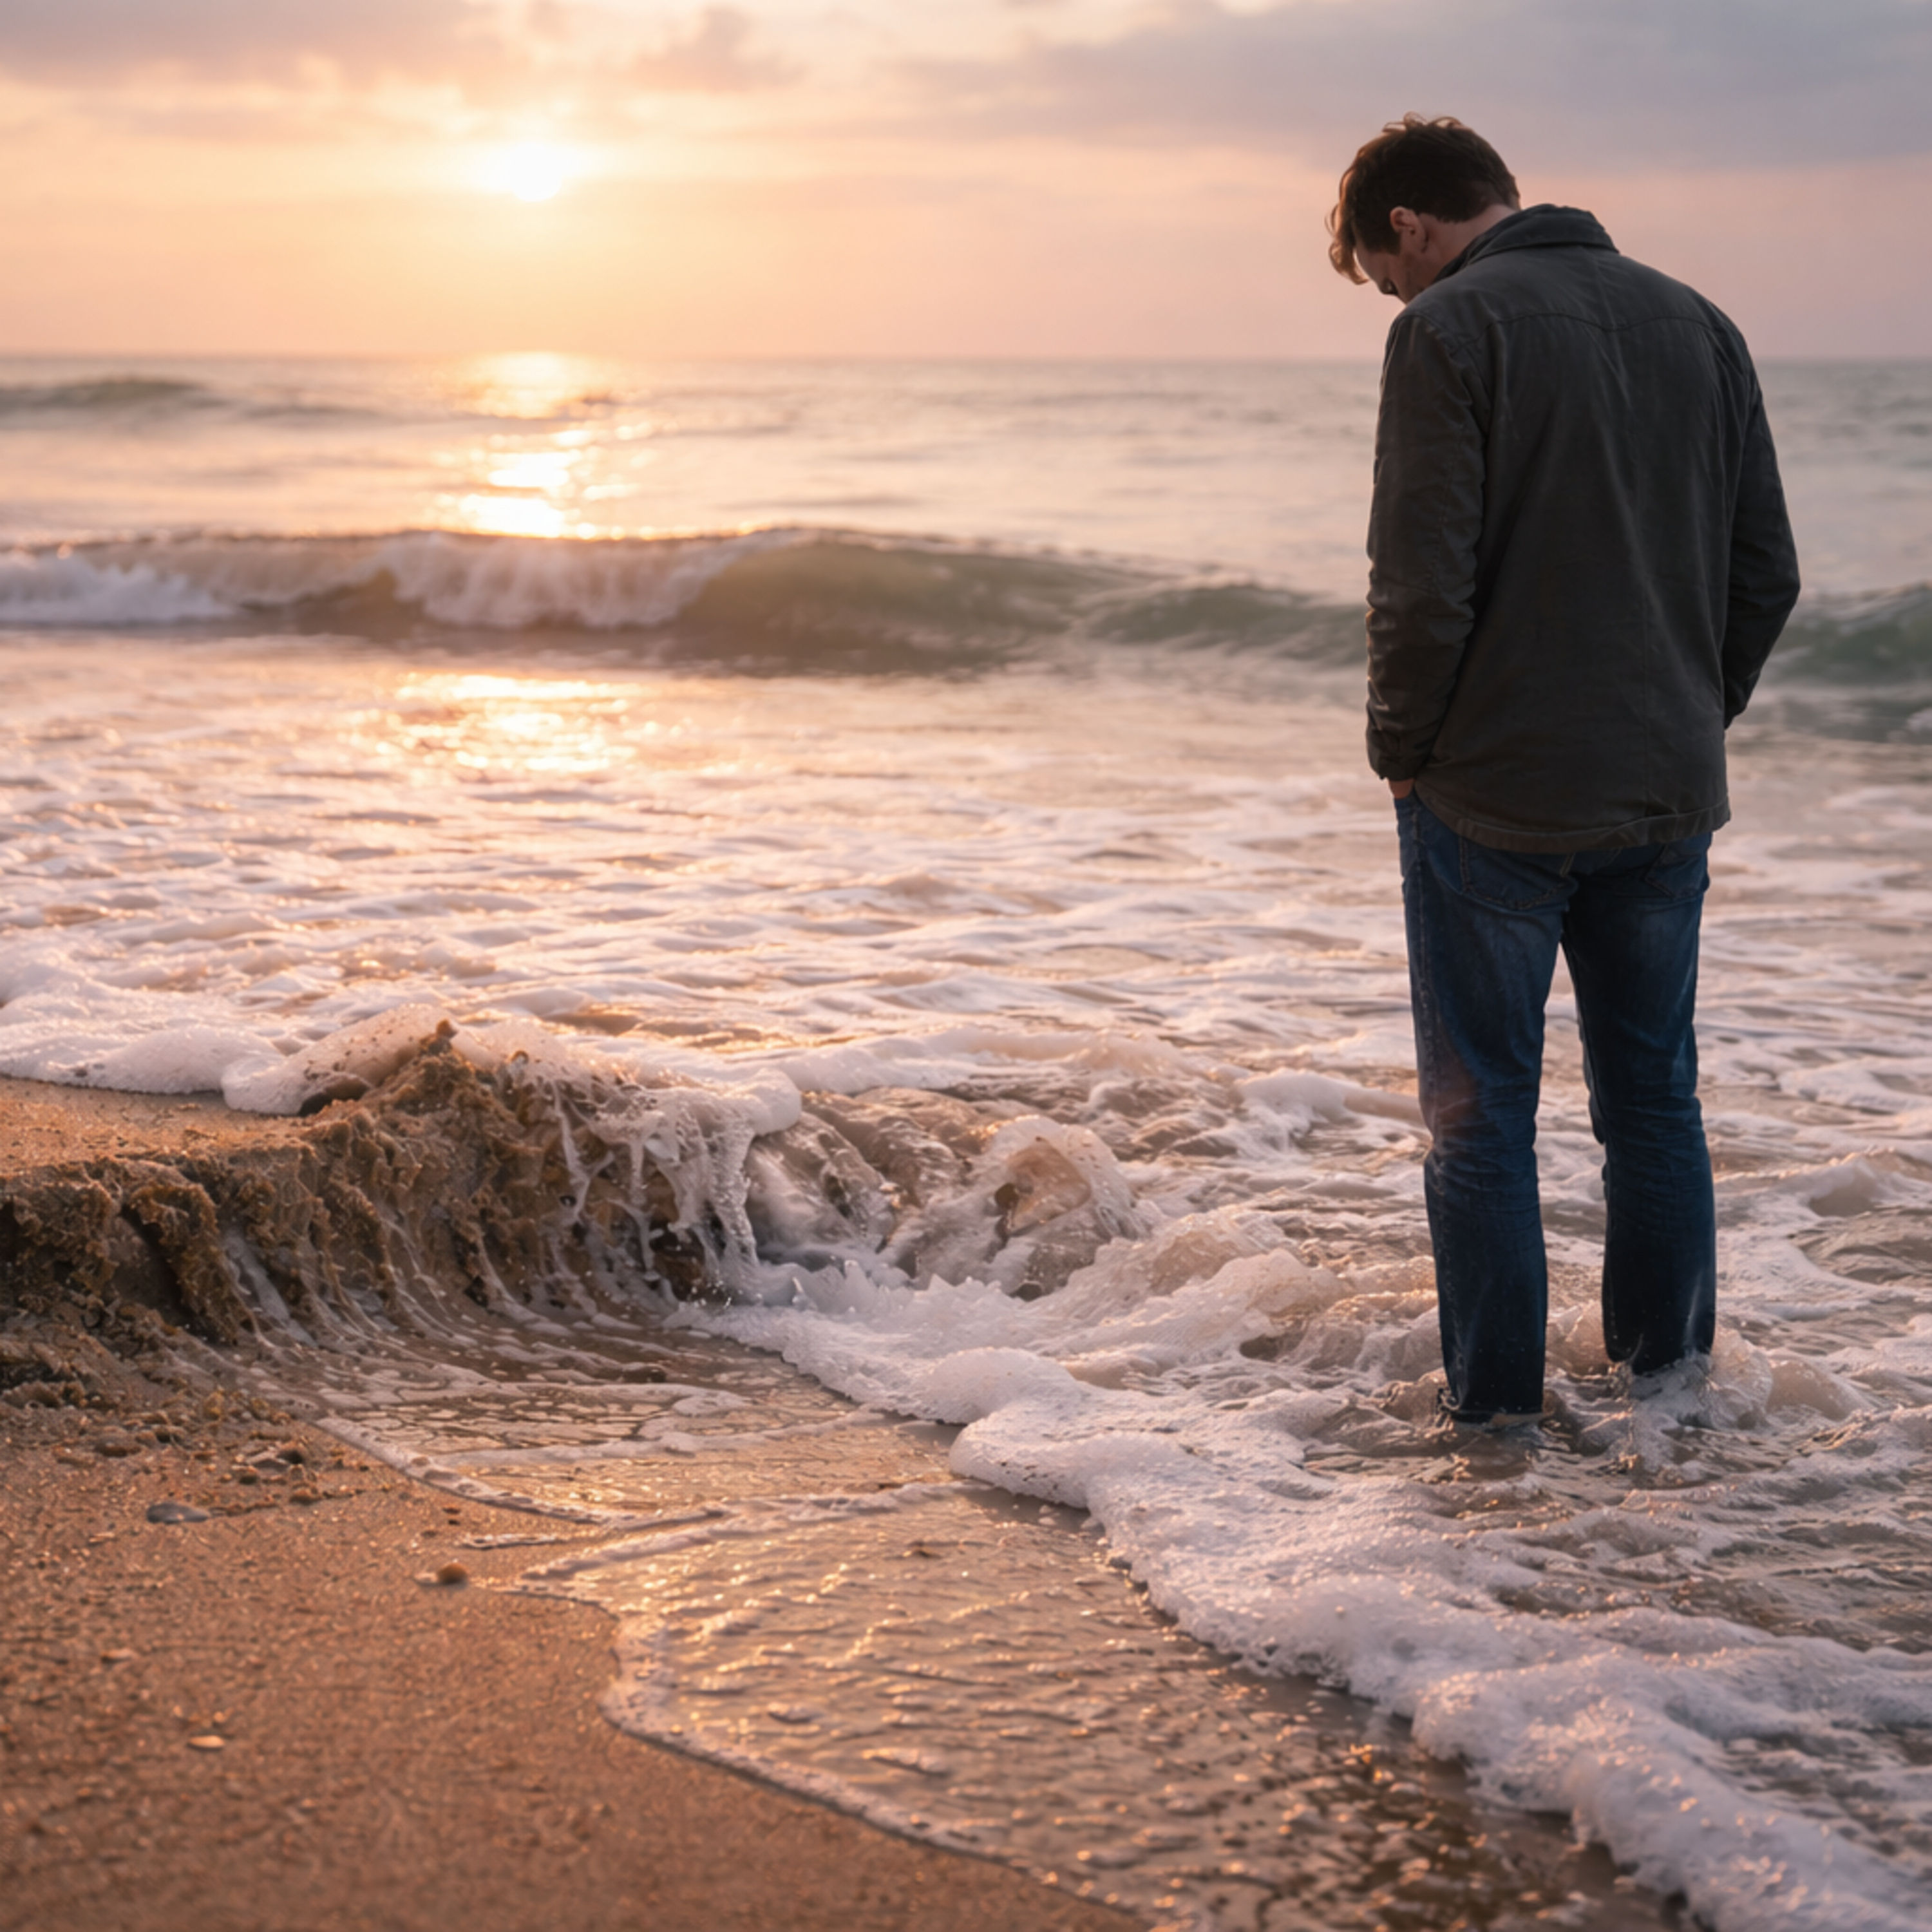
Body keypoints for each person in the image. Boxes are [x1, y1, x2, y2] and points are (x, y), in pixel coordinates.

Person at [1329, 115, 1800, 1426]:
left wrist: (1402, 755)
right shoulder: (1700, 321)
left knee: (1482, 1124)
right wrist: (1694, 714)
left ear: (1411, 228)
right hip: (1664, 790)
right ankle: (1672, 1402)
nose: (1398, 292)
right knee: (1654, 1105)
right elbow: (1769, 571)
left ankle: (1496, 1423)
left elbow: (1420, 586)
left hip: (1495, 792)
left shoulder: (1447, 330)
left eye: (1385, 269)